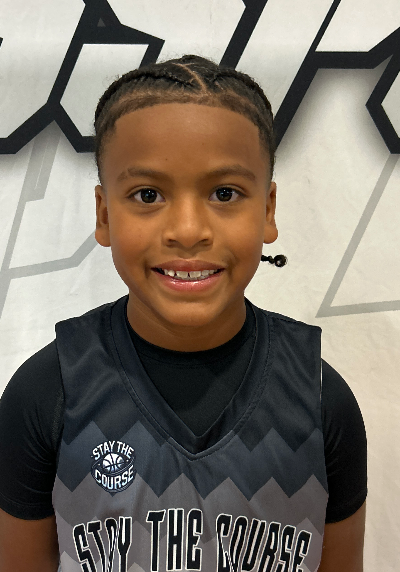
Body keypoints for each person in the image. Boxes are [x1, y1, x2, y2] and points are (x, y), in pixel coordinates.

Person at [0, 55, 367, 572]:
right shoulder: (45, 394)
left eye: (225, 193)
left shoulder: (322, 400)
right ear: (104, 215)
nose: (189, 230)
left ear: (268, 210)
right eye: (148, 194)